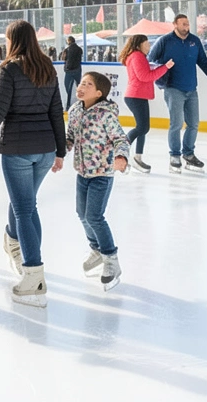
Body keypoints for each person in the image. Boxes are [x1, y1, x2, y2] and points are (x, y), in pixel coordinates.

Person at [0, 20, 66, 308]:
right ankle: (12, 241)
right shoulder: (47, 66)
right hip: (45, 150)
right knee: (26, 203)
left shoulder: (9, 68)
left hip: (18, 150)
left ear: (13, 40)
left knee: (24, 209)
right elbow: (57, 112)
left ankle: (34, 276)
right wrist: (59, 151)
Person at [66, 71, 129, 292]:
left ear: (99, 93)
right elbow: (70, 138)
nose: (81, 86)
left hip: (102, 173)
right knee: (81, 214)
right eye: (82, 82)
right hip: (82, 173)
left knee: (94, 216)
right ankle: (96, 249)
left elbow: (120, 138)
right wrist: (56, 150)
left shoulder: (106, 115)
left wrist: (121, 156)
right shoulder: (75, 110)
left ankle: (111, 259)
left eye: (88, 84)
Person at [147, 14, 207, 174]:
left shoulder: (194, 41)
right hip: (172, 88)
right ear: (175, 25)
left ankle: (188, 154)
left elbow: (203, 62)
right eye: (183, 24)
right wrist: (160, 78)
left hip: (191, 89)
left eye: (187, 24)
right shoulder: (164, 41)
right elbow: (151, 61)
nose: (186, 27)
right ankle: (174, 155)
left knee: (194, 123)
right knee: (176, 123)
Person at [119, 33, 173, 174]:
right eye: (146, 43)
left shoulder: (138, 57)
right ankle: (120, 150)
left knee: (142, 127)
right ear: (139, 44)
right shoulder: (137, 56)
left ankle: (137, 157)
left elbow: (144, 73)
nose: (149, 46)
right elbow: (144, 76)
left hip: (139, 95)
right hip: (135, 96)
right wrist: (165, 67)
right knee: (143, 128)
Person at [62, 36, 82, 108]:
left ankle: (68, 105)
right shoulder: (79, 49)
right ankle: (81, 103)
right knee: (80, 86)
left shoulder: (67, 50)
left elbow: (63, 58)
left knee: (68, 88)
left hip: (69, 71)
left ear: (69, 41)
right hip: (77, 70)